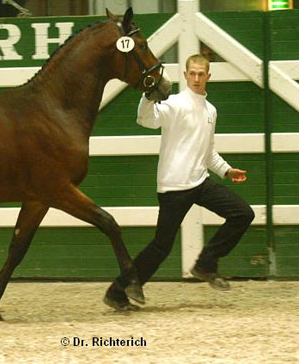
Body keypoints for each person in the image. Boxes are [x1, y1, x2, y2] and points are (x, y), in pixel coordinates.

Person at [105, 54, 255, 311]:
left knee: (243, 213)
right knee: (161, 247)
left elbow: (208, 153)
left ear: (208, 76)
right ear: (185, 75)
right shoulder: (174, 104)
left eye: (201, 74)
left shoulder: (210, 111)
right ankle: (118, 291)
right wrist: (147, 96)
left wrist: (227, 171)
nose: (197, 78)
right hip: (174, 186)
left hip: (201, 182)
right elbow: (146, 120)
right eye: (192, 73)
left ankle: (206, 264)